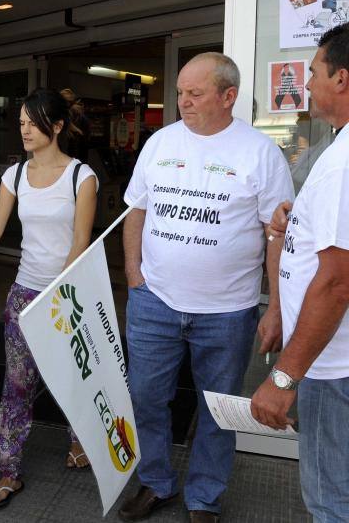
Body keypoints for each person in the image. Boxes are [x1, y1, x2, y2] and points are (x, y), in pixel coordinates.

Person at [118, 53, 294, 523]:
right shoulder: (160, 143)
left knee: (218, 410)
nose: (183, 102)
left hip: (228, 313)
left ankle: (204, 498)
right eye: (179, 92)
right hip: (154, 302)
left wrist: (275, 307)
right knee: (146, 397)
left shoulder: (260, 152)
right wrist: (134, 278)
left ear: (228, 96)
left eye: (195, 94)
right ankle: (156, 483)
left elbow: (275, 236)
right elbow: (135, 212)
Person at [0, 87, 98, 510]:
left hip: (67, 296)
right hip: (24, 294)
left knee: (72, 379)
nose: (25, 131)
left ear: (58, 126)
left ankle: (80, 440)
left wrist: (59, 294)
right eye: (22, 124)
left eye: (33, 123)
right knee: (16, 384)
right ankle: (9, 471)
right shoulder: (15, 175)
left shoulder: (81, 177)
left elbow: (80, 243)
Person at [251, 23, 349, 522]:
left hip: (335, 367)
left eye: (313, 73)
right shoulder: (337, 152)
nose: (306, 84)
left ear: (342, 79)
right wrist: (295, 227)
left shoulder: (344, 162)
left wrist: (284, 379)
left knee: (331, 500)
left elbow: (336, 282)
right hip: (332, 356)